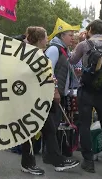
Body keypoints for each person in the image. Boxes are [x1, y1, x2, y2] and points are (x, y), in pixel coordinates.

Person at [69, 19, 102, 176]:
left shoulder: (84, 45)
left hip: (86, 91)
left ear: (90, 29)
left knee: (85, 125)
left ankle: (88, 162)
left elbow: (72, 60)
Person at [42, 18, 80, 170]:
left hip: (59, 94)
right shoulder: (54, 49)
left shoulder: (63, 50)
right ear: (62, 35)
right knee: (51, 127)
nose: (73, 37)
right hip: (52, 95)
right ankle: (55, 159)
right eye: (70, 35)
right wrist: (55, 91)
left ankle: (49, 156)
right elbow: (47, 71)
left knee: (52, 127)